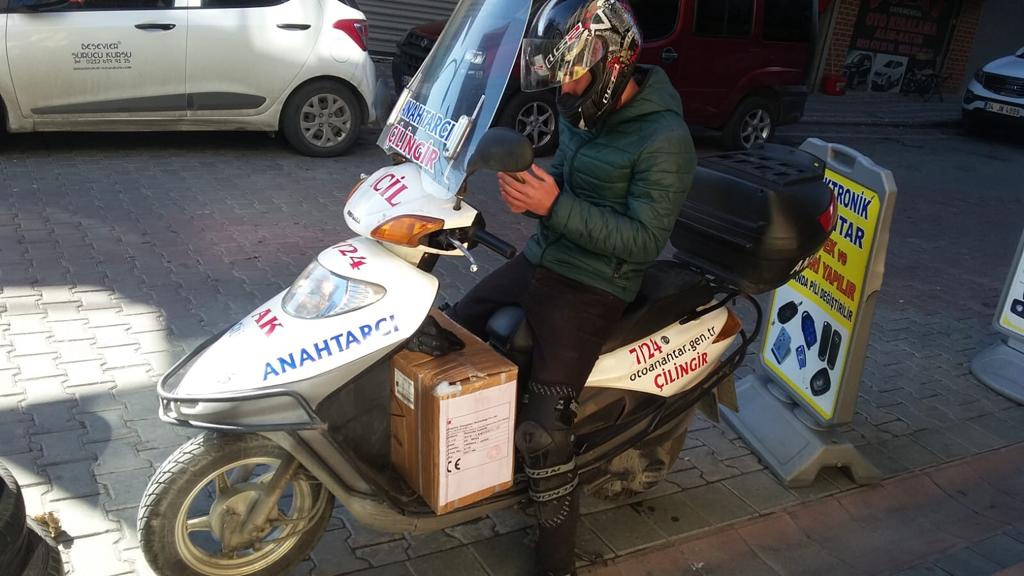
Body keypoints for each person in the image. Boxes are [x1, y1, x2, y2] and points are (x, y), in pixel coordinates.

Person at [449, 0, 696, 573]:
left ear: (612, 65)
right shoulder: (584, 111)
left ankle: (556, 560)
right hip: (544, 257)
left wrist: (553, 206)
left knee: (545, 429)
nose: (564, 87)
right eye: (559, 75)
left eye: (575, 74)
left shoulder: (666, 139)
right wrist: (532, 187)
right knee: (454, 330)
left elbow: (643, 240)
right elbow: (566, 175)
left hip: (594, 284)